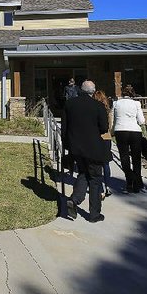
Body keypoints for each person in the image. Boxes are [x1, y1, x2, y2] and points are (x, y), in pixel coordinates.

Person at [61, 80, 109, 223]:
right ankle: (94, 214)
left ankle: (74, 200)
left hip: (76, 148)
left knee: (83, 173)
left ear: (80, 90)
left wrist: (67, 145)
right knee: (95, 179)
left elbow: (64, 127)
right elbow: (104, 128)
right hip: (94, 148)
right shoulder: (98, 106)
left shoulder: (69, 104)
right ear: (93, 92)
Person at [113, 84, 146, 193]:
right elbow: (141, 121)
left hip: (120, 130)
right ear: (133, 94)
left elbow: (113, 119)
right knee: (136, 158)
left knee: (124, 156)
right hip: (134, 131)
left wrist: (112, 130)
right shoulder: (136, 103)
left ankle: (129, 179)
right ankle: (137, 181)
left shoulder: (116, 103)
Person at [93, 90, 113, 199]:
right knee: (106, 163)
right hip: (106, 137)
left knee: (96, 164)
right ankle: (108, 185)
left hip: (96, 137)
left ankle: (100, 189)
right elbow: (110, 125)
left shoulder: (93, 109)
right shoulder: (107, 110)